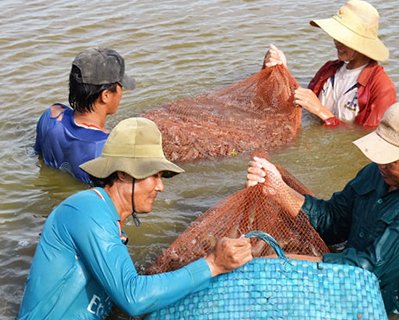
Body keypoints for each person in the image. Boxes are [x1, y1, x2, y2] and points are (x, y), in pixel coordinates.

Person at [19, 117, 253, 319]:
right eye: (155, 175)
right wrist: (212, 264)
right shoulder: (87, 209)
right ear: (123, 173)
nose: (161, 187)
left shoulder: (109, 220)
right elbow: (134, 297)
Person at [246, 100, 399, 315]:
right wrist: (279, 191)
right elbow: (331, 222)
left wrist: (282, 262)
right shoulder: (376, 174)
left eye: (390, 159)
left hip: (393, 309)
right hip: (347, 280)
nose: (381, 164)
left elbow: (367, 270)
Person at [263, 0, 396, 127]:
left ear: (362, 43)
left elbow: (371, 138)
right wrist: (280, 71)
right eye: (336, 36)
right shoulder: (329, 69)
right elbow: (301, 104)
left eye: (343, 39)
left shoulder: (381, 87)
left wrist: (321, 111)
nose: (336, 42)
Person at [34, 47, 136, 184]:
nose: (122, 92)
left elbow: (39, 157)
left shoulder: (49, 116)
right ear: (105, 95)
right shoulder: (107, 148)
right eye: (120, 86)